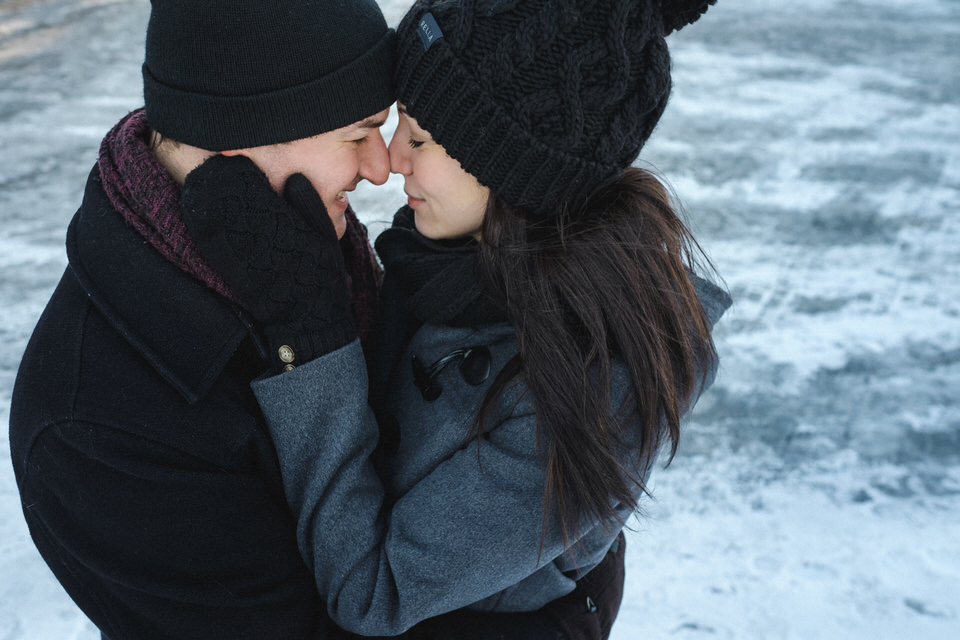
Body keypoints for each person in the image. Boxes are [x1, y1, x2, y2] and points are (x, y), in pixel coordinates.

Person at [181, 1, 729, 638]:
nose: (390, 161)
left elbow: (372, 593)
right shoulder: (450, 259)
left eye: (418, 137)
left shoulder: (590, 387)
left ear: (511, 170)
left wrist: (311, 344)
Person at [7, 1, 395, 638]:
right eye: (358, 134)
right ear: (237, 132)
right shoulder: (97, 427)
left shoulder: (320, 254)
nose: (381, 168)